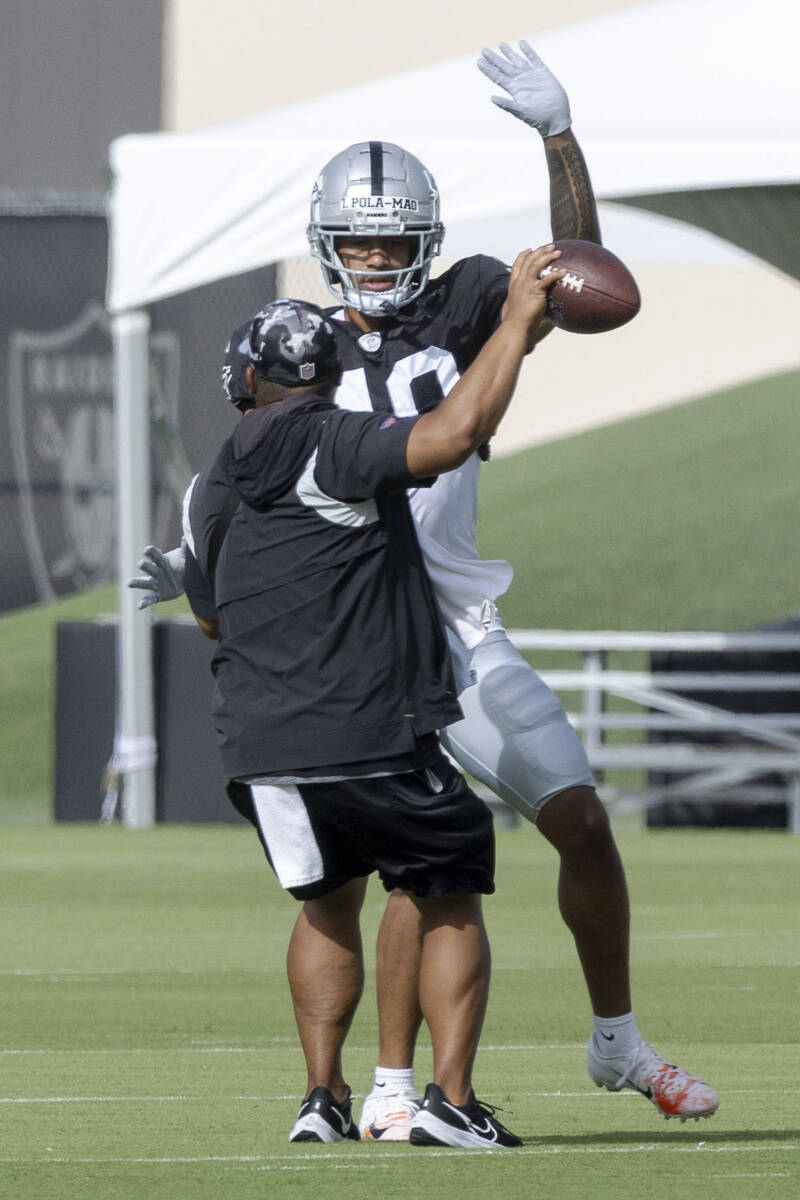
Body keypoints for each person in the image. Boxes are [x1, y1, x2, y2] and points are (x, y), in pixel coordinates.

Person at [130, 41, 719, 1136]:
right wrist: (201, 554)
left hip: (458, 628)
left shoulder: (463, 307)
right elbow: (250, 478)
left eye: (389, 241)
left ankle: (615, 1042)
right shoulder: (293, 349)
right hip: (356, 647)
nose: (370, 258)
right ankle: (384, 1093)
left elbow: (576, 266)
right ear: (321, 245)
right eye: (353, 241)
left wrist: (557, 135)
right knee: (375, 875)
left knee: (579, 823)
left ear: (425, 241)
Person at [179, 259, 564, 1147]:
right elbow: (449, 436)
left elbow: (205, 617)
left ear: (243, 377)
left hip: (257, 744)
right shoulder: (336, 436)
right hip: (366, 727)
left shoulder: (211, 482)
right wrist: (513, 323)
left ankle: (323, 1099)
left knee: (325, 901)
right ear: (322, 376)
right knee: (451, 881)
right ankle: (453, 1104)